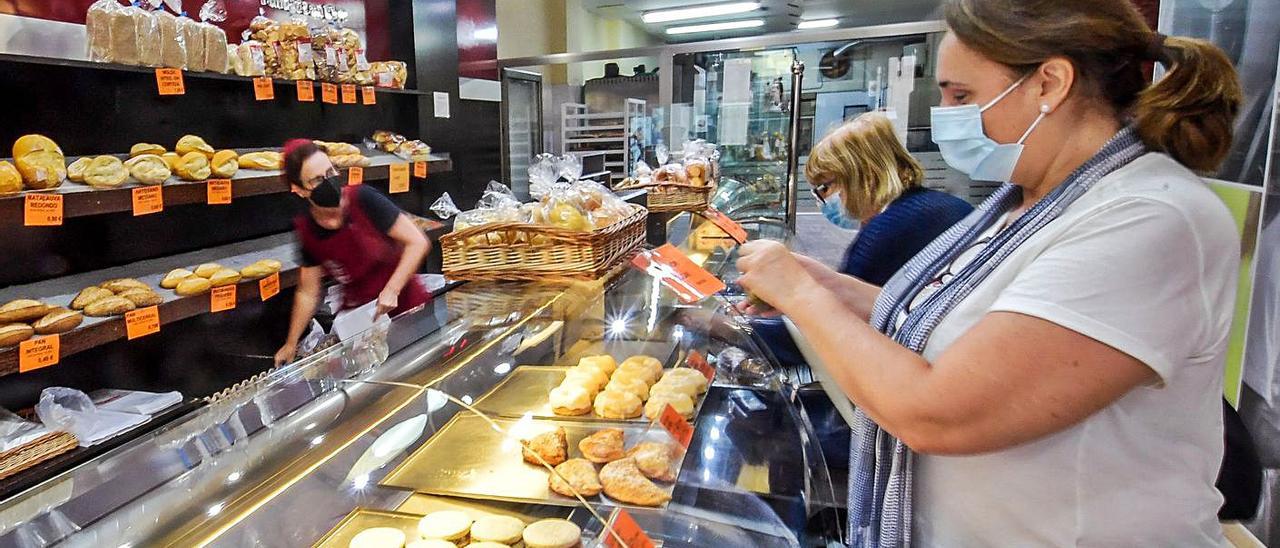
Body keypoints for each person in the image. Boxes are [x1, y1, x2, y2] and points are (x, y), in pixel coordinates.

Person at [735, 0, 1242, 545]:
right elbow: (955, 322)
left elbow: (937, 414)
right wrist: (827, 286)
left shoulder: (1148, 217)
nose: (946, 114)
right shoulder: (1021, 202)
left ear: (1049, 83)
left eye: (961, 95)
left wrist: (803, 298)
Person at [753, 112, 972, 366]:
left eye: (825, 187)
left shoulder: (891, 229)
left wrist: (723, 326)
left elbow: (832, 332)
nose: (821, 200)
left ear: (862, 175)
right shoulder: (931, 206)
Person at [273, 139, 431, 365]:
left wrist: (392, 289)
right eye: (318, 179)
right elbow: (308, 291)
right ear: (298, 189)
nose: (329, 182)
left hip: (408, 313)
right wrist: (291, 343)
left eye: (330, 172)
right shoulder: (307, 229)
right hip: (363, 325)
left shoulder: (364, 199)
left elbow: (417, 242)